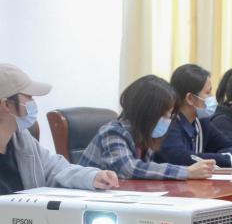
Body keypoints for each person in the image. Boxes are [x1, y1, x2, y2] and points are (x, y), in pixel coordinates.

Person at [0, 63, 119, 204]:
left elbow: (56, 169)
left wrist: (93, 176)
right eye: (29, 97)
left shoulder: (21, 139)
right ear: (5, 105)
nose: (33, 103)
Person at [79, 75, 216, 180]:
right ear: (147, 112)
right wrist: (186, 172)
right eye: (164, 114)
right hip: (89, 202)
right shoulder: (113, 131)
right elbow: (129, 169)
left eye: (169, 115)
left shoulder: (146, 135)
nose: (168, 120)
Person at [160, 64, 232, 170]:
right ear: (190, 98)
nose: (212, 97)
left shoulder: (201, 122)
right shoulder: (168, 123)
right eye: (208, 92)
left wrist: (222, 157)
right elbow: (181, 157)